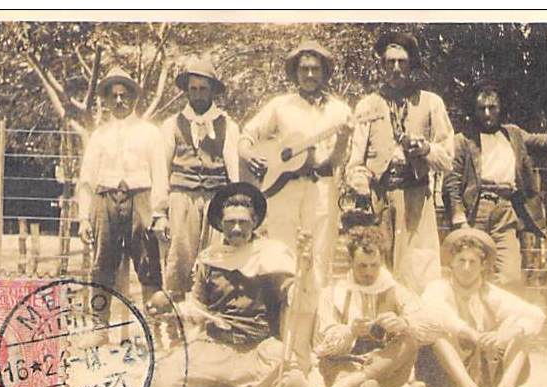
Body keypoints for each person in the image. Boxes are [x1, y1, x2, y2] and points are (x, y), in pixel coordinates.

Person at [150, 182, 314, 387]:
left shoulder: (271, 254)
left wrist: (306, 268)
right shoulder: (210, 258)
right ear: (220, 224)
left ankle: (227, 385)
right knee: (161, 385)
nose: (237, 229)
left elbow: (294, 297)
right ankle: (240, 385)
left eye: (243, 222)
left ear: (254, 222)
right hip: (215, 347)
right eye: (230, 223)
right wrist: (173, 310)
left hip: (257, 348)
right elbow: (197, 307)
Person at [443, 78, 547, 288]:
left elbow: (542, 141)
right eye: (481, 109)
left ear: (500, 108)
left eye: (492, 108)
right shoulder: (463, 140)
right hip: (475, 211)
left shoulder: (513, 135)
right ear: (474, 110)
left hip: (506, 211)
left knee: (509, 276)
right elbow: (452, 181)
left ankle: (493, 317)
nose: (487, 114)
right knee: (469, 274)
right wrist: (459, 216)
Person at [345, 31, 455, 296]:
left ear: (411, 64)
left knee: (418, 268)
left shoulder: (431, 103)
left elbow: (448, 156)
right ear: (382, 65)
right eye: (389, 62)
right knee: (377, 265)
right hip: (379, 197)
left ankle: (417, 330)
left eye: (402, 62)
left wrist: (427, 149)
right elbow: (354, 161)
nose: (396, 68)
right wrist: (360, 182)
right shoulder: (368, 105)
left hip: (417, 196)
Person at [239, 40, 352, 286]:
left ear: (325, 72)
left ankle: (318, 320)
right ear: (295, 72)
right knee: (282, 252)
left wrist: (342, 139)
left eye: (315, 69)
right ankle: (283, 317)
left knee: (320, 255)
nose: (310, 74)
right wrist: (248, 154)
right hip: (284, 189)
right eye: (304, 69)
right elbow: (248, 135)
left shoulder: (340, 110)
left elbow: (337, 160)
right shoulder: (280, 106)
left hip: (321, 187)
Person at [412, 228, 545, 387]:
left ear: (483, 265)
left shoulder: (490, 293)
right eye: (461, 261)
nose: (467, 268)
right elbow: (437, 313)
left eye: (473, 262)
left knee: (520, 325)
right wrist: (472, 334)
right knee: (436, 330)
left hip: (483, 367)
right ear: (451, 262)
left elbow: (535, 314)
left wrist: (504, 335)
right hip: (444, 369)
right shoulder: (438, 288)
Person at [77, 66, 168, 327]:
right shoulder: (99, 135)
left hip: (141, 199)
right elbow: (86, 179)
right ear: (105, 100)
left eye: (124, 95)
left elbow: (160, 174)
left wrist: (159, 213)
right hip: (105, 200)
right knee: (102, 264)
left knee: (148, 265)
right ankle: (99, 327)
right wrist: (84, 218)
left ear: (134, 98)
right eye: (113, 96)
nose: (119, 101)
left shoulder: (149, 132)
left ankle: (155, 329)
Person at [313, 225, 430, 387]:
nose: (369, 272)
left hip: (384, 368)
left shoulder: (394, 289)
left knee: (409, 340)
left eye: (374, 265)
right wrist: (350, 332)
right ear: (351, 263)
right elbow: (322, 345)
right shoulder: (332, 293)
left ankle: (351, 383)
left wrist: (403, 323)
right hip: (343, 364)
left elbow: (427, 320)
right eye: (362, 266)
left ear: (382, 261)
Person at [160, 58, 240, 300]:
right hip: (182, 197)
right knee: (179, 259)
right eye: (193, 89)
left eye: (203, 89)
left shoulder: (227, 125)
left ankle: (208, 319)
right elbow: (162, 169)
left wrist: (234, 201)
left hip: (216, 197)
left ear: (213, 90)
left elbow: (233, 166)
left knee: (214, 259)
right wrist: (160, 212)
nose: (197, 95)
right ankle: (175, 324)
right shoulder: (172, 124)